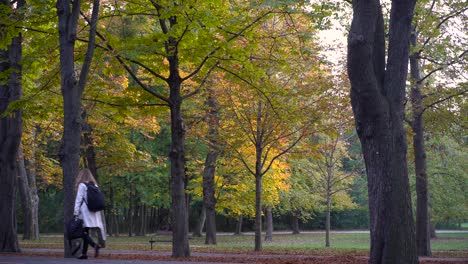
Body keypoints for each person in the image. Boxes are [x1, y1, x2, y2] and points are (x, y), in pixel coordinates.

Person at [73, 169, 106, 259]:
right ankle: (84, 254)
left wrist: (75, 212)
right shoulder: (94, 185)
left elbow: (78, 199)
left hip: (85, 212)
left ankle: (94, 245)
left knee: (82, 232)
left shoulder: (82, 185)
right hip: (94, 212)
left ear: (81, 176)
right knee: (86, 232)